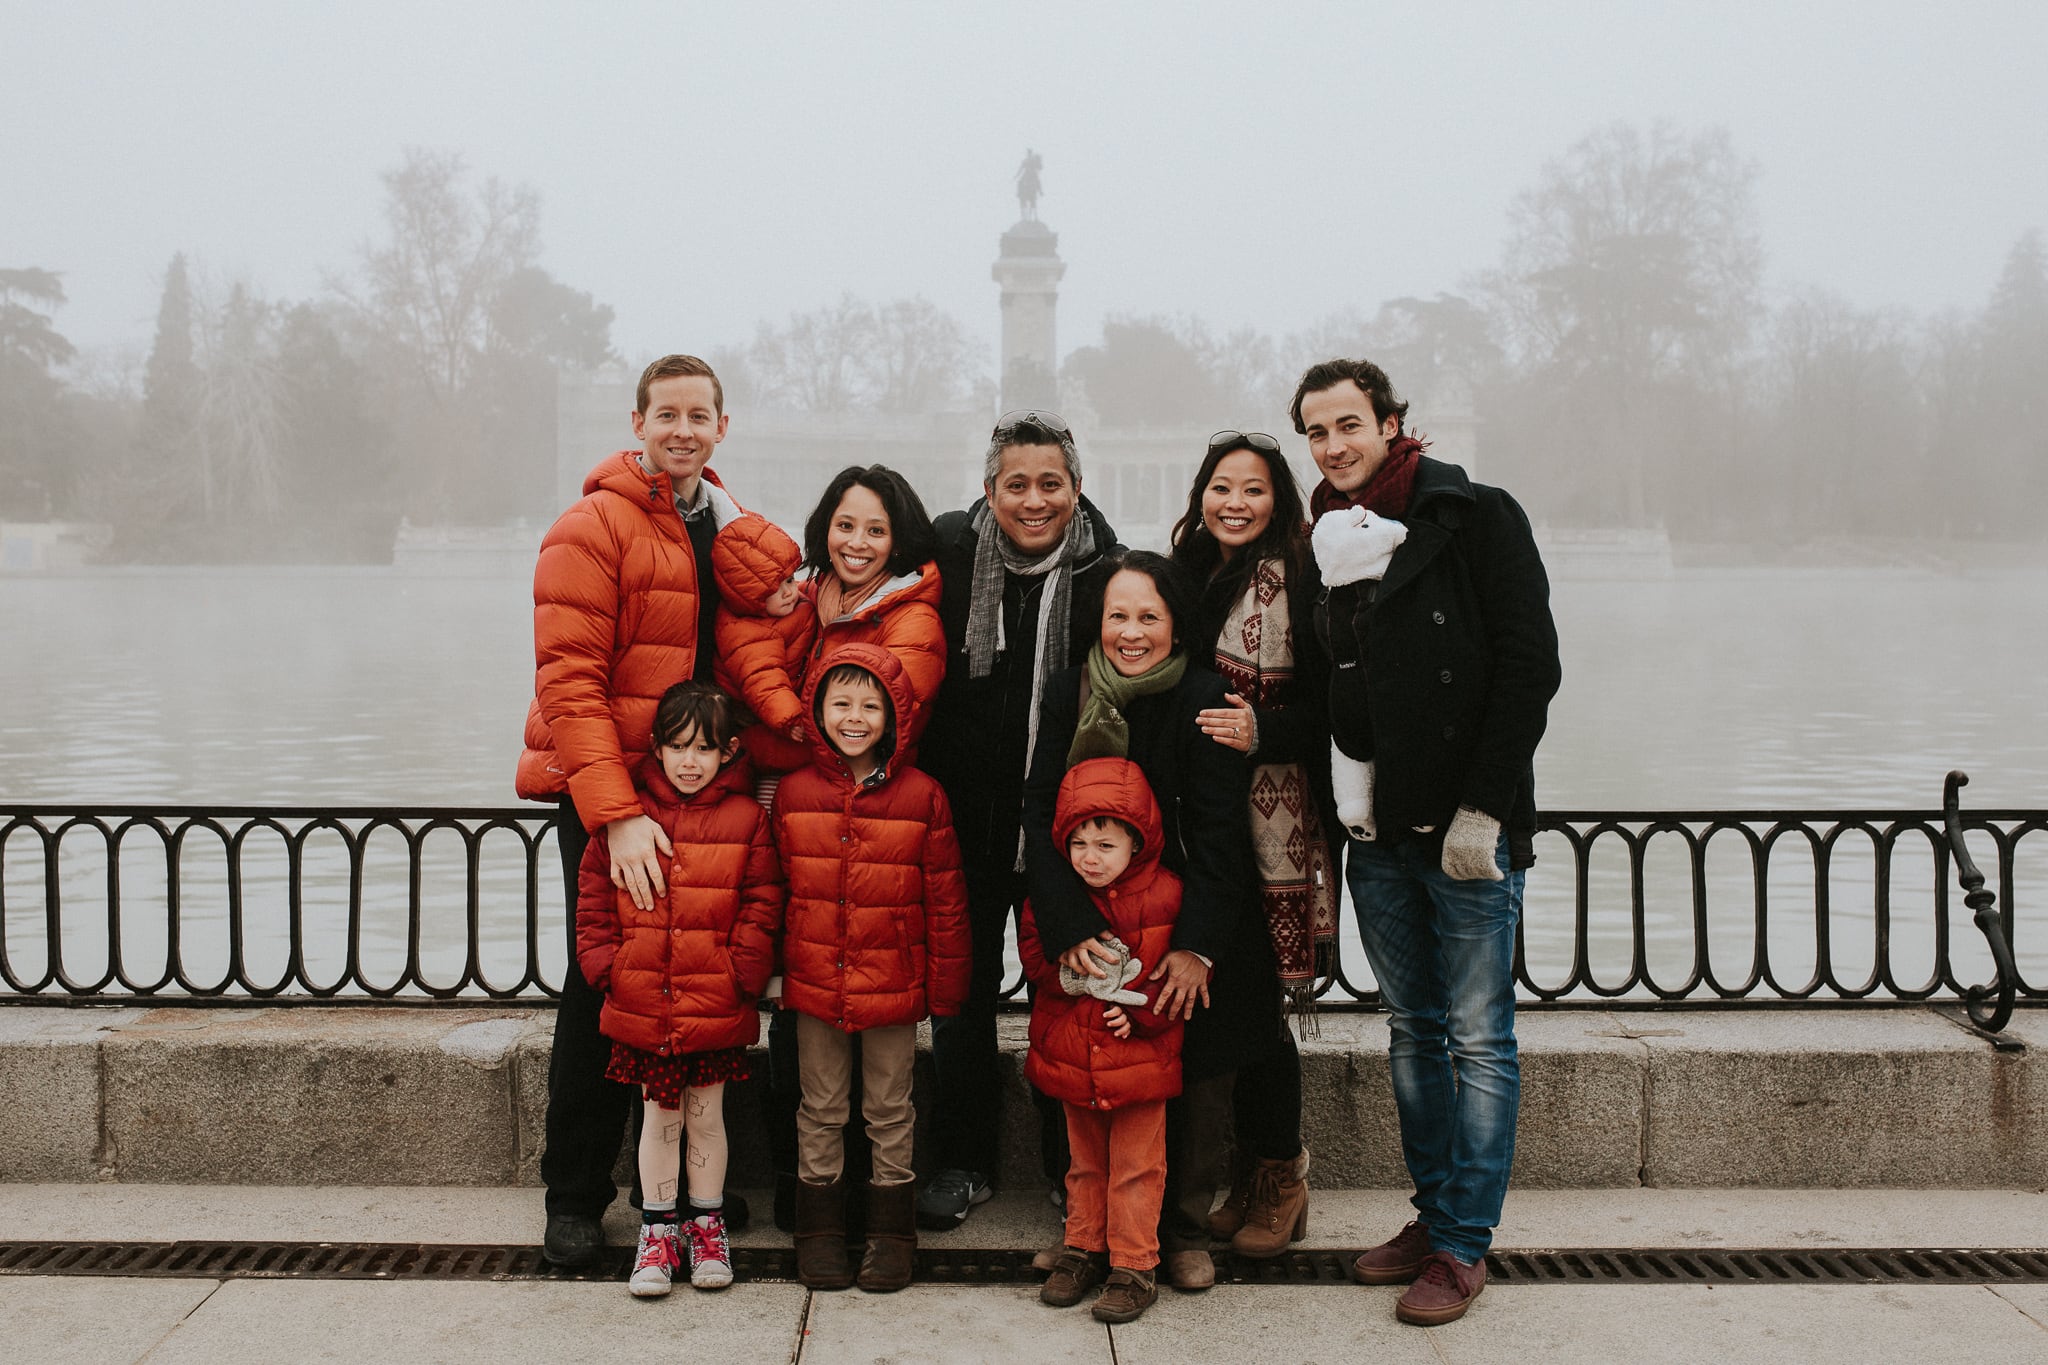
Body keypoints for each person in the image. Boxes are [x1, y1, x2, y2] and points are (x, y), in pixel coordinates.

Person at [1295, 358, 1561, 1326]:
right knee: (1412, 1033)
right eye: (1315, 433)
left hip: (1464, 833)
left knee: (1480, 1041)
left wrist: (1483, 812)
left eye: (1346, 424)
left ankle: (1460, 1245)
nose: (1331, 446)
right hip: (1377, 832)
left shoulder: (1474, 514)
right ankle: (1433, 1213)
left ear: (1390, 421)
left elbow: (1529, 665)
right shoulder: (1323, 541)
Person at [516, 354, 751, 1267]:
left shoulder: (726, 525)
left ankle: (699, 1192)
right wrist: (613, 814)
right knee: (605, 981)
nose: (684, 429)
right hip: (609, 783)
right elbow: (568, 682)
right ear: (638, 422)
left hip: (694, 780)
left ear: (721, 428)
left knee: (696, 974)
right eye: (668, 414)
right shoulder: (591, 524)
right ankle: (574, 1194)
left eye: (700, 414)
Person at [1020, 551, 1273, 1292]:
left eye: (1149, 617)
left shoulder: (1205, 694)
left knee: (1189, 1061)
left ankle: (1181, 1230)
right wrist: (1064, 920)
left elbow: (1223, 837)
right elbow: (1039, 811)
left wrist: (1195, 946)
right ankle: (1084, 1231)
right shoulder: (1071, 691)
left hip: (1179, 909)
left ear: (1176, 622)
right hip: (1085, 905)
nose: (1132, 633)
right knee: (1076, 1066)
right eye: (1118, 617)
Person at [918, 410, 1122, 1230]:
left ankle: (1066, 1166)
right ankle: (961, 1161)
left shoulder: (1110, 570)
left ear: (1076, 487)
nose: (1033, 501)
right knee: (960, 1000)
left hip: (1060, 828)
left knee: (1065, 992)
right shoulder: (946, 553)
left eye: (1050, 484)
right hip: (962, 822)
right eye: (1016, 484)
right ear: (988, 487)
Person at [758, 464, 947, 1228]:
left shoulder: (913, 614)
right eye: (845, 525)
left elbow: (881, 708)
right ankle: (810, 1191)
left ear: (899, 538)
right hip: (802, 810)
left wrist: (791, 721)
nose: (858, 542)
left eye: (876, 529)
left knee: (877, 1053)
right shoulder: (808, 596)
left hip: (870, 812)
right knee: (799, 1019)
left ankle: (879, 1203)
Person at [1169, 430, 1340, 1259]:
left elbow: (1334, 709)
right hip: (1200, 824)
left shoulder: (1301, 579)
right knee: (1220, 1010)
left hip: (1270, 824)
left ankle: (1282, 1169)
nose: (1234, 502)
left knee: (1257, 1011)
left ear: (1279, 500)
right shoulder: (1192, 572)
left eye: (1254, 489)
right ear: (1201, 492)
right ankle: (1247, 1170)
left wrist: (1260, 728)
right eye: (1221, 486)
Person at [771, 644, 972, 1292]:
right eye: (841, 704)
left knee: (890, 1108)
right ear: (818, 710)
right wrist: (770, 976)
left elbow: (945, 901)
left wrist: (945, 990)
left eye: (869, 706)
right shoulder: (796, 792)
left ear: (894, 716)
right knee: (820, 1107)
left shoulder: (923, 794)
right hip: (813, 983)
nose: (854, 717)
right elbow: (773, 892)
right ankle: (821, 1231)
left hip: (892, 985)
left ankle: (892, 1234)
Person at [573, 683, 782, 1297]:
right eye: (678, 746)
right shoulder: (629, 820)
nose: (690, 761)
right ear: (657, 749)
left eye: (704, 748)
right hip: (642, 1001)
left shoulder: (747, 821)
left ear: (729, 752)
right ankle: (658, 1233)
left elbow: (762, 904)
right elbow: (593, 901)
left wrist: (741, 974)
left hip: (713, 1002)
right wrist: (607, 969)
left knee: (707, 1117)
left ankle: (707, 1226)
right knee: (659, 1119)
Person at [1020, 757, 1185, 1325]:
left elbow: (1176, 982)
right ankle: (1083, 1248)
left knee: (1138, 1165)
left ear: (1137, 844)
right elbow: (1034, 959)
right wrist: (1066, 961)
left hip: (1138, 1061)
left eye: (1106, 844)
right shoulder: (1057, 896)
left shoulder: (1165, 896)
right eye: (1080, 843)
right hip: (1073, 1053)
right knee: (1084, 1164)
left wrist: (1138, 1018)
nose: (1090, 857)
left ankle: (1135, 1263)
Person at [711, 513, 816, 789]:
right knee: (799, 756)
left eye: (790, 580)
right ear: (747, 598)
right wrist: (790, 718)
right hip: (761, 717)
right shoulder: (745, 631)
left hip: (787, 696)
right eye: (774, 589)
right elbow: (763, 680)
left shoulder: (787, 606)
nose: (788, 592)